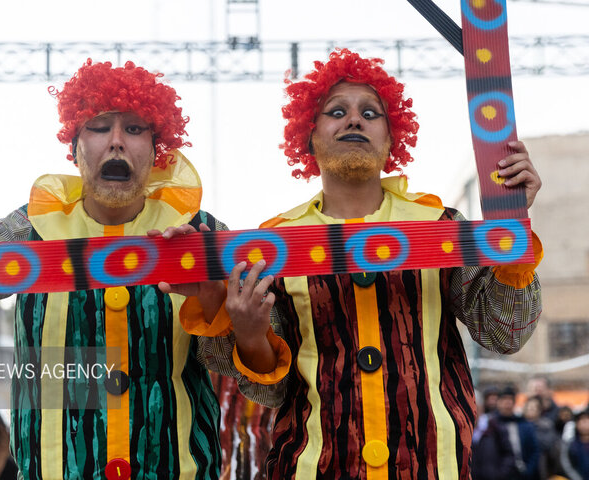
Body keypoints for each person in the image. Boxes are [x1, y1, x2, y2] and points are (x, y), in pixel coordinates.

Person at [180, 49, 544, 479]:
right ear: (309, 136)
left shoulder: (439, 226)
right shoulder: (275, 242)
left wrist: (512, 231)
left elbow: (505, 332)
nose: (354, 120)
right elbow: (272, 392)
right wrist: (248, 332)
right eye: (337, 111)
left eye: (370, 113)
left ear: (392, 139)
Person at [0, 59, 227, 479]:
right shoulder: (33, 229)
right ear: (74, 145)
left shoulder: (198, 235)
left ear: (156, 147)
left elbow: (251, 370)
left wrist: (221, 310)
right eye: (97, 127)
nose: (115, 143)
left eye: (133, 129)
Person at [494, 386, 540, 479]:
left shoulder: (524, 425)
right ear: (498, 402)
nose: (507, 403)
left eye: (510, 399)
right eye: (504, 399)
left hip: (520, 473)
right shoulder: (491, 425)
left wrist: (528, 471)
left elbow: (534, 451)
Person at [561, 409, 589, 480]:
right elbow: (567, 465)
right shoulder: (571, 444)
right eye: (581, 420)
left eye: (586, 419)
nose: (584, 422)